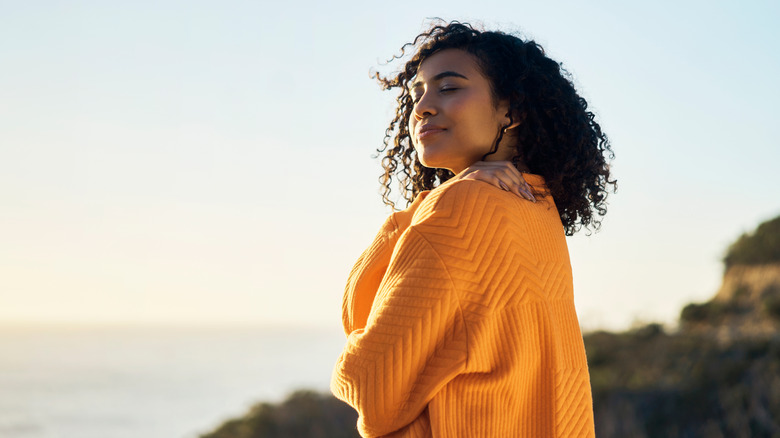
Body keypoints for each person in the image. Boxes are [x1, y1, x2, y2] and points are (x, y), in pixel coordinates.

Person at [331, 20, 616, 438]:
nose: (423, 106)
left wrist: (419, 215)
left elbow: (369, 386)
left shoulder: (460, 209)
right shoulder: (535, 207)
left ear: (512, 109)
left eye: (448, 88)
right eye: (417, 94)